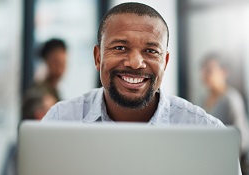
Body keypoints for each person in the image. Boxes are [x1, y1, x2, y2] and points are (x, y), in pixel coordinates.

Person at [42, 2, 223, 126]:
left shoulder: (205, 129)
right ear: (98, 58)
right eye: (120, 47)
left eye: (151, 51)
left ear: (165, 62)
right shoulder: (60, 120)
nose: (136, 63)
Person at [200, 53, 249, 174]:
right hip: (209, 160)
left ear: (223, 72)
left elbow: (241, 140)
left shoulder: (230, 99)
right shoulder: (202, 99)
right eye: (203, 70)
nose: (205, 75)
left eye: (210, 70)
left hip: (230, 162)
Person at [34, 38, 67, 102]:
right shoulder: (37, 94)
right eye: (56, 63)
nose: (59, 69)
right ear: (45, 62)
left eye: (63, 63)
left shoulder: (56, 92)